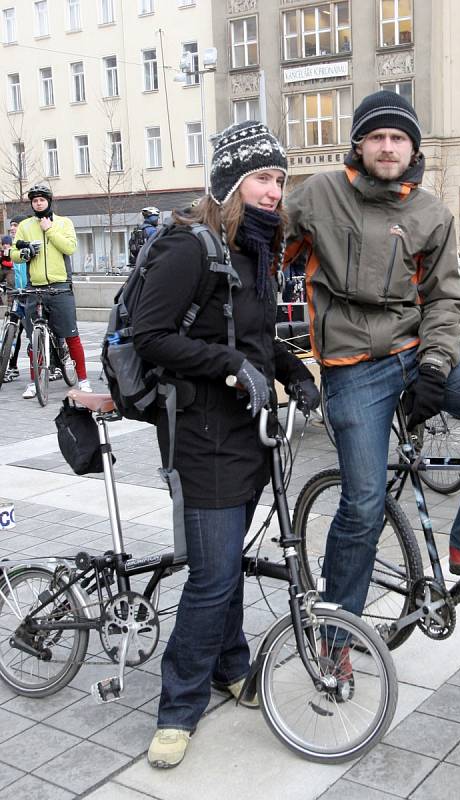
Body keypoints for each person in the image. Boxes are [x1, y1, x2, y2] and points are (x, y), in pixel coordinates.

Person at [285, 90, 460, 624]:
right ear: (358, 143)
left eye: (398, 137)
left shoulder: (430, 212)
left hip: (418, 350)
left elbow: (446, 297)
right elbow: (256, 240)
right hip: (352, 365)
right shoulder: (318, 195)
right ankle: (335, 630)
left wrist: (437, 364)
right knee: (364, 502)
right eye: (377, 136)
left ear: (412, 147)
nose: (387, 146)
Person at [132, 121, 319, 769]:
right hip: (201, 437)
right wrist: (229, 367)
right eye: (263, 179)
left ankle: (230, 664)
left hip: (248, 439)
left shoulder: (257, 251)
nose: (275, 191)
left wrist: (290, 371)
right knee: (212, 578)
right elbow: (149, 336)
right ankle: (177, 706)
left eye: (279, 179)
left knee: (229, 563)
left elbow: (257, 341)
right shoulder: (189, 246)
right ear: (229, 183)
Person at [11, 186, 91, 397]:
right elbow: (13, 253)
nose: (38, 203)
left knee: (71, 336)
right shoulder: (25, 226)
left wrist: (50, 230)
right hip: (34, 287)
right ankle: (33, 381)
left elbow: (70, 248)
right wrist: (24, 252)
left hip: (60, 287)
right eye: (35, 200)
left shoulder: (64, 223)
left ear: (49, 201)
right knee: (33, 338)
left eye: (41, 200)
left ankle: (83, 379)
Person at [1, 215, 29, 382]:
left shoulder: (30, 247)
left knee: (37, 331)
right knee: (13, 334)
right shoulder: (10, 250)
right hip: (16, 296)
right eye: (11, 225)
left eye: (16, 225)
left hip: (32, 295)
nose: (12, 228)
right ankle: (12, 366)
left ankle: (52, 364)